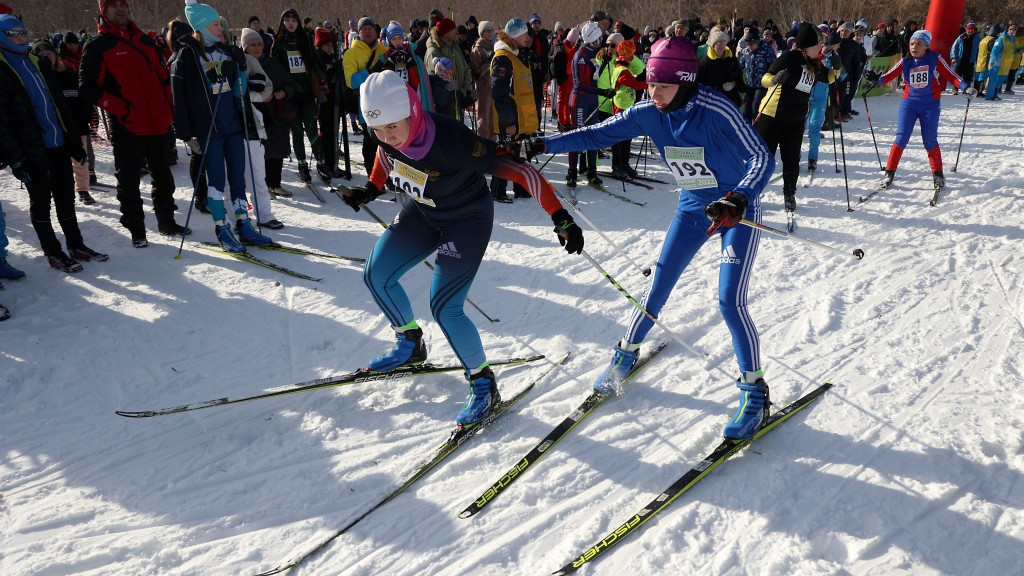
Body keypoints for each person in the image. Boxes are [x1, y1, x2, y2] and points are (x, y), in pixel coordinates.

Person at [526, 36, 775, 440]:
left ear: (685, 79)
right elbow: (596, 135)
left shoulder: (716, 109)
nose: (652, 92)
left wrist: (740, 197)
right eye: (651, 84)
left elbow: (761, 156)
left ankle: (755, 393)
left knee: (729, 300)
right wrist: (543, 142)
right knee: (657, 284)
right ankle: (625, 354)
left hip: (733, 211)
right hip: (694, 207)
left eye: (662, 85)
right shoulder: (648, 111)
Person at [342, 70, 583, 425]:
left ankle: (483, 385)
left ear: (412, 109)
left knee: (444, 306)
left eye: (392, 126)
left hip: (466, 220)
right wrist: (371, 188)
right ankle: (410, 343)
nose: (386, 136)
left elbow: (522, 172)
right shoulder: (386, 137)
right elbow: (385, 157)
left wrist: (561, 217)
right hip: (422, 214)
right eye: (377, 129)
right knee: (376, 274)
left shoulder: (451, 139)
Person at [0, 14, 108, 272]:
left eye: (22, 31)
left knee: (66, 198)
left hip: (57, 143)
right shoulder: (2, 69)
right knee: (41, 202)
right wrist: (15, 158)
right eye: (12, 33)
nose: (20, 37)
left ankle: (76, 244)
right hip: (31, 151)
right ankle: (53, 251)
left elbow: (58, 104)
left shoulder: (37, 61)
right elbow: (1, 121)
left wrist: (73, 141)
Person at [80, 0, 188, 247]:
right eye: (113, 5)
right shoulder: (98, 45)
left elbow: (163, 78)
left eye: (123, 4)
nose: (120, 9)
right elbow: (87, 88)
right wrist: (122, 110)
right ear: (103, 11)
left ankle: (167, 222)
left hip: (157, 123)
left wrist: (168, 109)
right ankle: (137, 230)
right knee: (128, 182)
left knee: (164, 178)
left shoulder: (145, 41)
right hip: (126, 125)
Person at [174, 0, 273, 253]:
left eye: (219, 23)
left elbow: (239, 92)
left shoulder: (227, 50)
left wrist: (240, 67)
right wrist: (185, 133)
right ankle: (222, 228)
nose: (221, 27)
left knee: (238, 179)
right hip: (209, 130)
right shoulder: (187, 55)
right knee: (217, 182)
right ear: (202, 26)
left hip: (233, 125)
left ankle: (243, 224)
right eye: (216, 23)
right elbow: (179, 97)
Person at [865, 29, 974, 190]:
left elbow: (951, 76)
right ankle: (889, 173)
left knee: (929, 140)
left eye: (919, 44)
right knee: (901, 138)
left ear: (926, 46)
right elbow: (888, 76)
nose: (914, 47)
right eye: (912, 43)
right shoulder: (905, 61)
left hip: (930, 105)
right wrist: (876, 79)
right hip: (909, 104)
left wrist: (965, 87)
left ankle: (938, 174)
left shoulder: (934, 58)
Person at [756, 22, 837, 213]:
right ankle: (750, 193)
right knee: (763, 160)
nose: (821, 47)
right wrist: (775, 79)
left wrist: (837, 65)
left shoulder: (815, 63)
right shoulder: (789, 57)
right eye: (818, 43)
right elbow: (765, 78)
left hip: (795, 120)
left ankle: (789, 195)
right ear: (807, 45)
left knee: (791, 160)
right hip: (772, 116)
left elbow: (830, 78)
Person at [242, 26, 295, 202]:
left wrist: (283, 93)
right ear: (245, 48)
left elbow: (289, 84)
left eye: (259, 44)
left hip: (277, 113)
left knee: (278, 150)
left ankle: (276, 183)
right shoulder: (243, 65)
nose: (257, 48)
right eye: (252, 45)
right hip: (256, 114)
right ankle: (264, 186)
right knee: (261, 153)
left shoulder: (273, 63)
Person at [489, 18, 538, 203]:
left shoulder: (517, 54)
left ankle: (521, 187)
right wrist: (509, 123)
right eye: (525, 34)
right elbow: (499, 93)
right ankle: (497, 191)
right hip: (509, 120)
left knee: (523, 152)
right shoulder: (503, 57)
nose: (528, 37)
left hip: (522, 119)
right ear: (516, 35)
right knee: (505, 154)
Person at [273, 8, 323, 184]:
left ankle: (321, 163)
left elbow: (314, 62)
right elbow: (275, 70)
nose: (290, 23)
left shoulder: (305, 40)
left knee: (312, 129)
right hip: (290, 96)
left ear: (298, 22)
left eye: (294, 19)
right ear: (282, 23)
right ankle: (302, 165)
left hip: (307, 93)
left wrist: (321, 80)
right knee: (297, 133)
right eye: (287, 20)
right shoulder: (278, 45)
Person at [343, 16, 388, 170]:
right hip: (366, 105)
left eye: (370, 28)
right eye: (364, 29)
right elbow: (351, 81)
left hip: (386, 104)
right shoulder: (351, 53)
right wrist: (371, 72)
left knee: (387, 141)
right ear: (359, 32)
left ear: (376, 32)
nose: (368, 31)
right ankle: (372, 174)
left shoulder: (384, 51)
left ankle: (386, 173)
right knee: (371, 141)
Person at [568, 21, 607, 188]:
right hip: (580, 100)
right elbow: (580, 84)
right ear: (593, 38)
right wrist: (602, 92)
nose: (601, 41)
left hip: (591, 99)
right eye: (599, 37)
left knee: (593, 135)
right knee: (577, 136)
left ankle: (592, 171)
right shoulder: (582, 54)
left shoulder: (593, 52)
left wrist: (605, 62)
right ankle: (571, 173)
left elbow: (595, 77)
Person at [607, 39, 647, 179]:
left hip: (627, 105)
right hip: (620, 106)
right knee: (620, 137)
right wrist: (650, 84)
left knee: (628, 136)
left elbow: (640, 68)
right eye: (631, 55)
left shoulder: (624, 67)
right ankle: (617, 166)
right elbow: (636, 84)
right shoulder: (622, 70)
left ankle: (624, 163)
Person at [423, 17, 473, 120]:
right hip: (444, 107)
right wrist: (449, 90)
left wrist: (465, 92)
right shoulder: (433, 51)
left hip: (458, 101)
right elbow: (437, 79)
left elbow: (466, 69)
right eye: (453, 29)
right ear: (446, 32)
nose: (456, 31)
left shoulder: (455, 47)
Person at [698, 27, 743, 107]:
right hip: (712, 100)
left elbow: (739, 77)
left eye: (723, 42)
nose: (720, 45)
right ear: (713, 45)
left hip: (731, 99)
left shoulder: (732, 59)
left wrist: (733, 84)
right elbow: (701, 83)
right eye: (717, 42)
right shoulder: (705, 62)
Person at [739, 30, 775, 120]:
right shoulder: (746, 51)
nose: (749, 47)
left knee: (756, 107)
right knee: (746, 108)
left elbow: (773, 66)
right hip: (749, 84)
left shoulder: (767, 49)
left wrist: (771, 78)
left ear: (757, 42)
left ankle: (756, 129)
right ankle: (746, 130)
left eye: (751, 45)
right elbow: (740, 65)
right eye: (748, 45)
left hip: (761, 85)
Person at [469, 20, 495, 140]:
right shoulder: (477, 50)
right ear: (482, 33)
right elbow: (476, 73)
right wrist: (488, 63)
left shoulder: (493, 46)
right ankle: (482, 143)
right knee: (483, 118)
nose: (490, 33)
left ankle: (492, 143)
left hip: (492, 87)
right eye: (487, 31)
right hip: (482, 88)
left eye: (491, 30)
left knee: (492, 119)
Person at [950, 23, 980, 94]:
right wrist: (953, 57)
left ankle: (966, 90)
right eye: (969, 29)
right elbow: (954, 47)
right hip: (960, 60)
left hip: (970, 60)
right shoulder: (961, 37)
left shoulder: (977, 39)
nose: (971, 31)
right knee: (957, 76)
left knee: (968, 77)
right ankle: (955, 89)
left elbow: (980, 50)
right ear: (966, 29)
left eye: (972, 30)